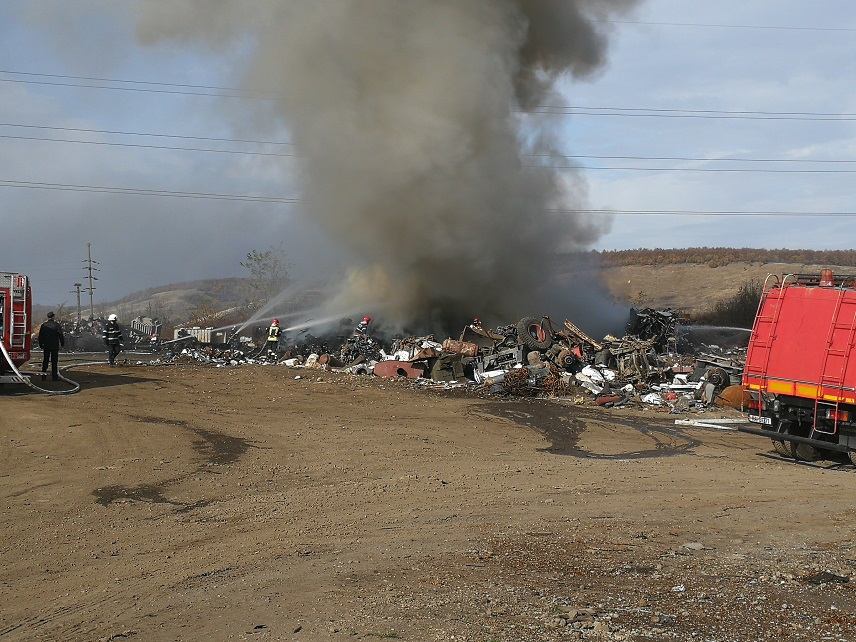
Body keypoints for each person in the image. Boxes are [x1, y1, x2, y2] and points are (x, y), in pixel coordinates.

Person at [38, 311, 65, 381]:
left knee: (45, 360)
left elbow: (40, 336)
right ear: (53, 317)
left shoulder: (44, 325)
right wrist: (62, 344)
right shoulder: (56, 325)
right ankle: (54, 377)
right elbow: (60, 335)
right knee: (54, 362)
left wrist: (41, 344)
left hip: (46, 345)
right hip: (54, 346)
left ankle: (43, 376)